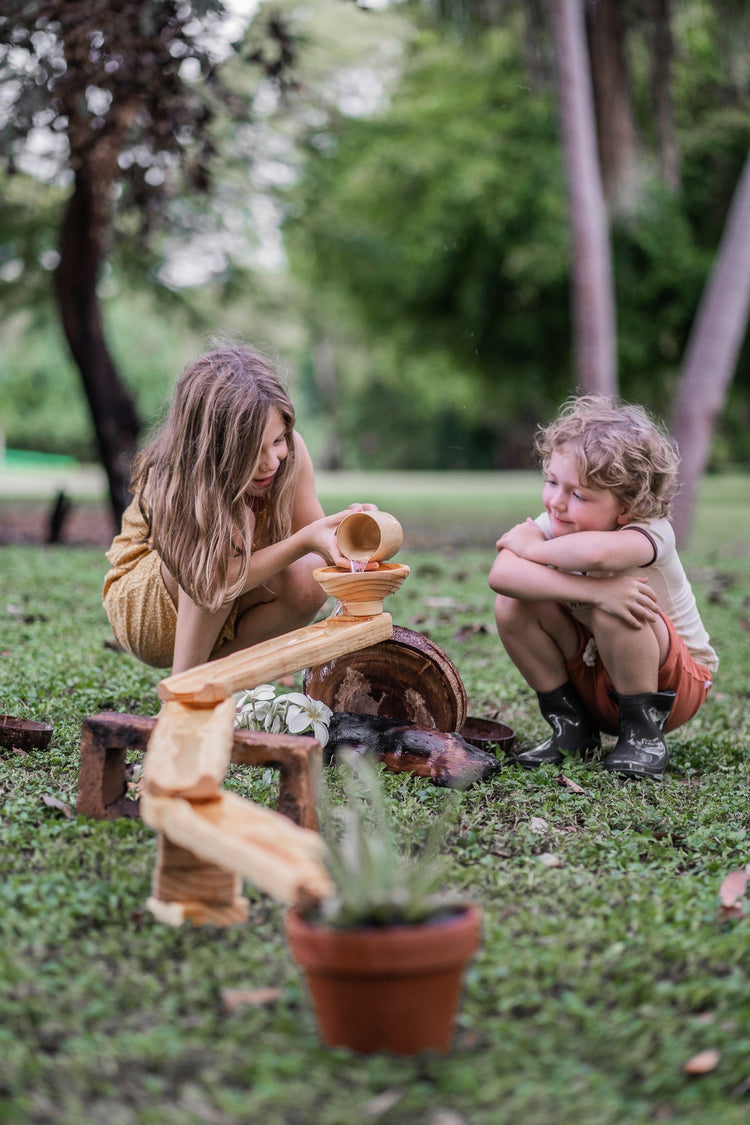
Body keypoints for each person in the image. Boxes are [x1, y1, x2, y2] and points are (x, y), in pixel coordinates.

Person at [103, 343, 374, 675]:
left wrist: (348, 533)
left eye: (277, 441)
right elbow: (209, 581)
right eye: (252, 452)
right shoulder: (185, 472)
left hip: (228, 595)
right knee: (232, 523)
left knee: (309, 578)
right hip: (150, 609)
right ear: (212, 447)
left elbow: (319, 551)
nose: (271, 461)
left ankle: (215, 682)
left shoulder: (292, 455)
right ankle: (181, 692)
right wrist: (304, 540)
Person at [488, 395, 717, 779]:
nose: (556, 503)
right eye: (551, 482)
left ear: (626, 507)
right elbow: (502, 577)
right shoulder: (556, 525)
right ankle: (572, 728)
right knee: (513, 603)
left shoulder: (650, 532)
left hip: (673, 684)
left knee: (618, 606)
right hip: (596, 670)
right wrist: (595, 592)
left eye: (578, 494)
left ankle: (643, 736)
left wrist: (533, 547)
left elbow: (597, 556)